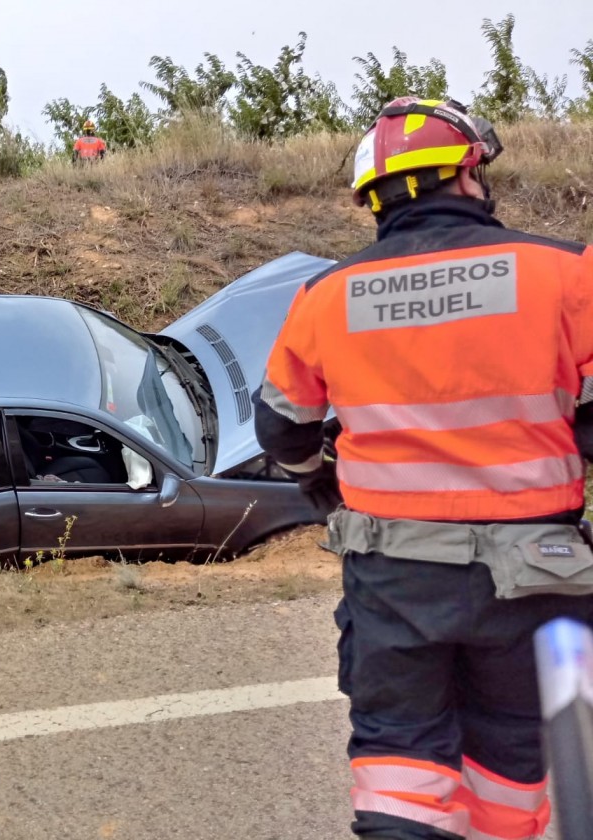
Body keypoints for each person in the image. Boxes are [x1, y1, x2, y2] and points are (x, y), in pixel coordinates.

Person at [253, 97, 593, 840]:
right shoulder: (567, 273)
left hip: (395, 578)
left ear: (373, 198)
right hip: (536, 576)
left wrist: (321, 480)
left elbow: (282, 428)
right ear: (468, 175)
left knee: (399, 768)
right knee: (514, 757)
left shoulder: (324, 296)